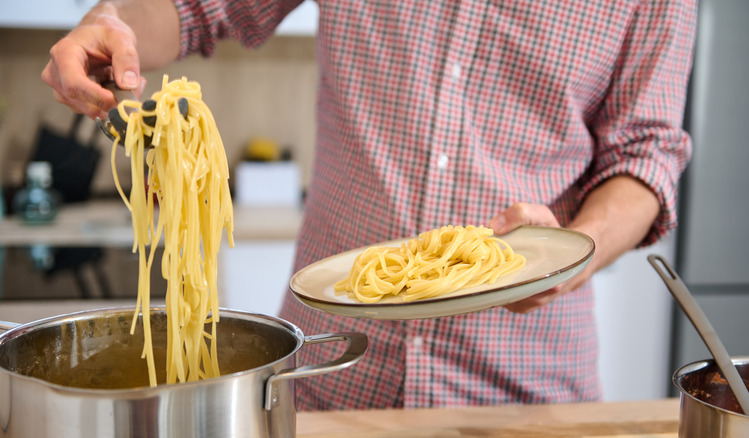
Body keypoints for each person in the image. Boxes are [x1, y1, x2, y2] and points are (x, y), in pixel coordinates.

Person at [42, 0, 697, 410]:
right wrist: (111, 25)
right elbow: (196, 8)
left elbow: (646, 154)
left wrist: (570, 253)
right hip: (326, 381)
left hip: (521, 394)